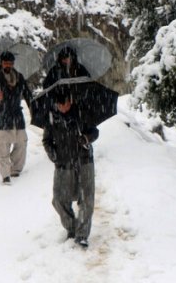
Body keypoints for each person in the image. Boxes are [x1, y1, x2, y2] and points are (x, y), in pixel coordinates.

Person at [42, 87, 99, 248]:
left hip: (84, 161)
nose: (63, 108)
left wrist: (86, 138)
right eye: (60, 105)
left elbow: (95, 132)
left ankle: (82, 234)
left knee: (86, 199)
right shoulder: (52, 117)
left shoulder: (82, 113)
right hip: (63, 164)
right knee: (59, 200)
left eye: (65, 104)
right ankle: (72, 228)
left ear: (70, 101)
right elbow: (46, 141)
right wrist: (54, 156)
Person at [0, 51, 33, 185]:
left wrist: (33, 109)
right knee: (2, 146)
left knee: (22, 142)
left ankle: (15, 169)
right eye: (6, 62)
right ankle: (5, 175)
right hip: (0, 116)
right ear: (1, 62)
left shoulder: (19, 77)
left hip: (16, 115)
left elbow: (28, 94)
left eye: (10, 62)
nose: (8, 65)